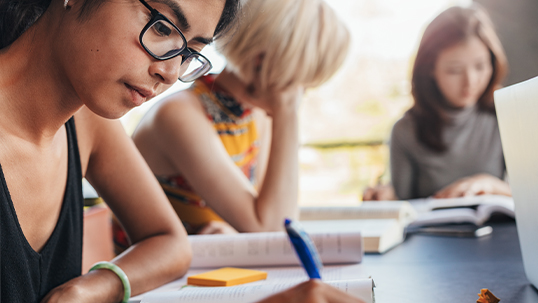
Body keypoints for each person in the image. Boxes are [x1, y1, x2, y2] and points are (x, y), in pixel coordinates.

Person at [0, 0, 364, 302]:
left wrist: (96, 285)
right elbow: (267, 225)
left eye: (191, 52)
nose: (171, 72)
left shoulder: (87, 123)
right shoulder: (170, 116)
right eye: (161, 27)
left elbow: (170, 241)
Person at [131, 0, 350, 235]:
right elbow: (273, 229)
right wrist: (287, 112)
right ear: (262, 63)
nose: (300, 96)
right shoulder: (179, 115)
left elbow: (273, 216)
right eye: (300, 84)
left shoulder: (256, 117)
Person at [363, 5, 511, 201]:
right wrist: (384, 198)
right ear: (430, 69)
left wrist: (492, 185)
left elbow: (531, 193)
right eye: (454, 70)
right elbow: (403, 203)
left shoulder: (508, 117)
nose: (470, 81)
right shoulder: (405, 132)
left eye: (480, 66)